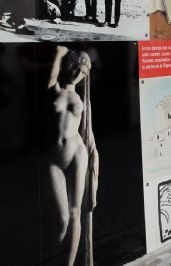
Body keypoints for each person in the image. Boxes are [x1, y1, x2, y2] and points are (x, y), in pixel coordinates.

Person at [43, 46, 98, 265]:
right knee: (62, 219)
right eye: (77, 68)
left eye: (84, 72)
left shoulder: (80, 97)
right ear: (69, 66)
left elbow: (88, 131)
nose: (78, 74)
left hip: (77, 152)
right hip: (54, 157)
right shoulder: (55, 88)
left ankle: (69, 262)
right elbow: (52, 74)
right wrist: (58, 53)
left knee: (76, 213)